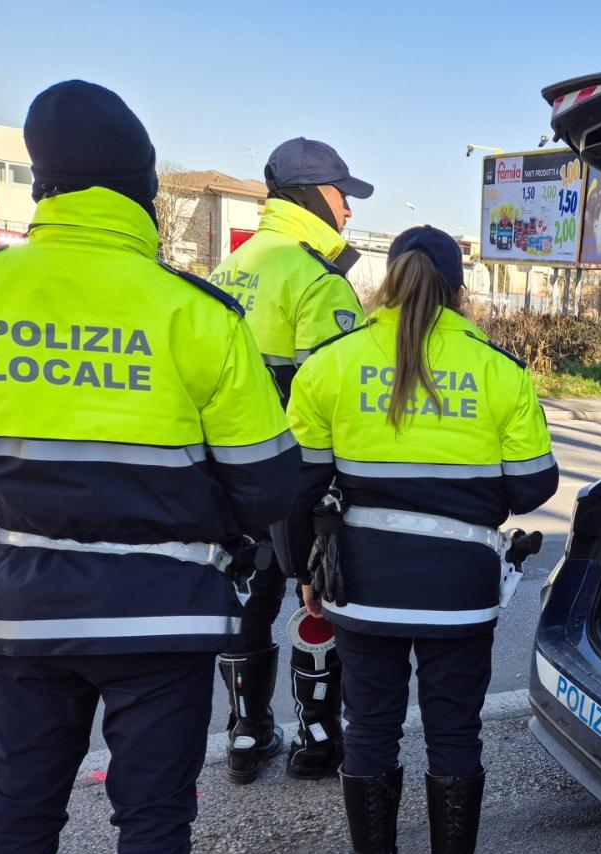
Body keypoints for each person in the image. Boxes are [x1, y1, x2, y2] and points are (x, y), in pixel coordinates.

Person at [0, 82, 297, 854]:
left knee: (22, 791)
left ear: (44, 185)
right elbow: (265, 486)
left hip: (24, 605)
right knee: (154, 807)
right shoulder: (195, 312)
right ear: (140, 193)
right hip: (161, 614)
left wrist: (1, 509)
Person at [285, 226, 558, 854]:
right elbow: (533, 488)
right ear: (458, 289)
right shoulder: (499, 370)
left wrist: (301, 574)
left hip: (360, 586)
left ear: (386, 282)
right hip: (460, 595)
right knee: (453, 729)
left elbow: (299, 486)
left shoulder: (331, 365)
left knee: (368, 726)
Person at [206, 137, 371, 785]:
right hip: (294, 474)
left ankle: (245, 734)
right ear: (313, 197)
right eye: (343, 196)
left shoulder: (231, 269)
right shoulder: (314, 279)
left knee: (249, 596)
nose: (349, 212)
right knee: (317, 595)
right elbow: (337, 399)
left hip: (227, 473)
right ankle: (316, 737)